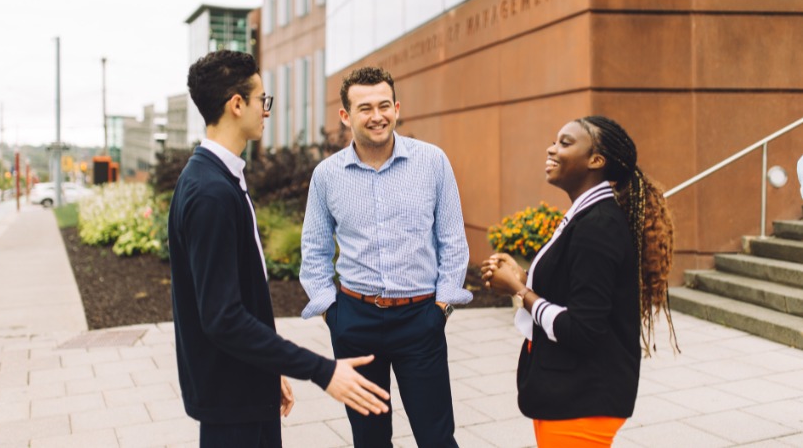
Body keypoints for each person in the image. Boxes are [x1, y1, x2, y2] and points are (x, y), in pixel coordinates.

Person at [169, 50, 389, 448]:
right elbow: (223, 318)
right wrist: (322, 371)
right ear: (237, 104)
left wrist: (268, 370)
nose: (265, 111)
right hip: (229, 400)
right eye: (261, 100)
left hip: (245, 387)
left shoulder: (219, 178)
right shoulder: (209, 193)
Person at [299, 66, 471, 447]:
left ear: (397, 108)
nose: (376, 116)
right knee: (370, 439)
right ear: (346, 116)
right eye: (364, 108)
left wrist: (440, 306)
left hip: (420, 318)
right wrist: (333, 313)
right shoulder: (327, 175)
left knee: (437, 437)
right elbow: (314, 250)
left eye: (383, 105)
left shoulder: (432, 162)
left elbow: (453, 240)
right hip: (354, 322)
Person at [482, 115, 676, 447]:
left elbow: (582, 330)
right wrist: (522, 276)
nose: (551, 148)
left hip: (583, 400)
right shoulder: (586, 216)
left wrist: (518, 290)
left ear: (596, 160)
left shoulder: (597, 226)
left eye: (565, 143)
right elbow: (575, 290)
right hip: (569, 393)